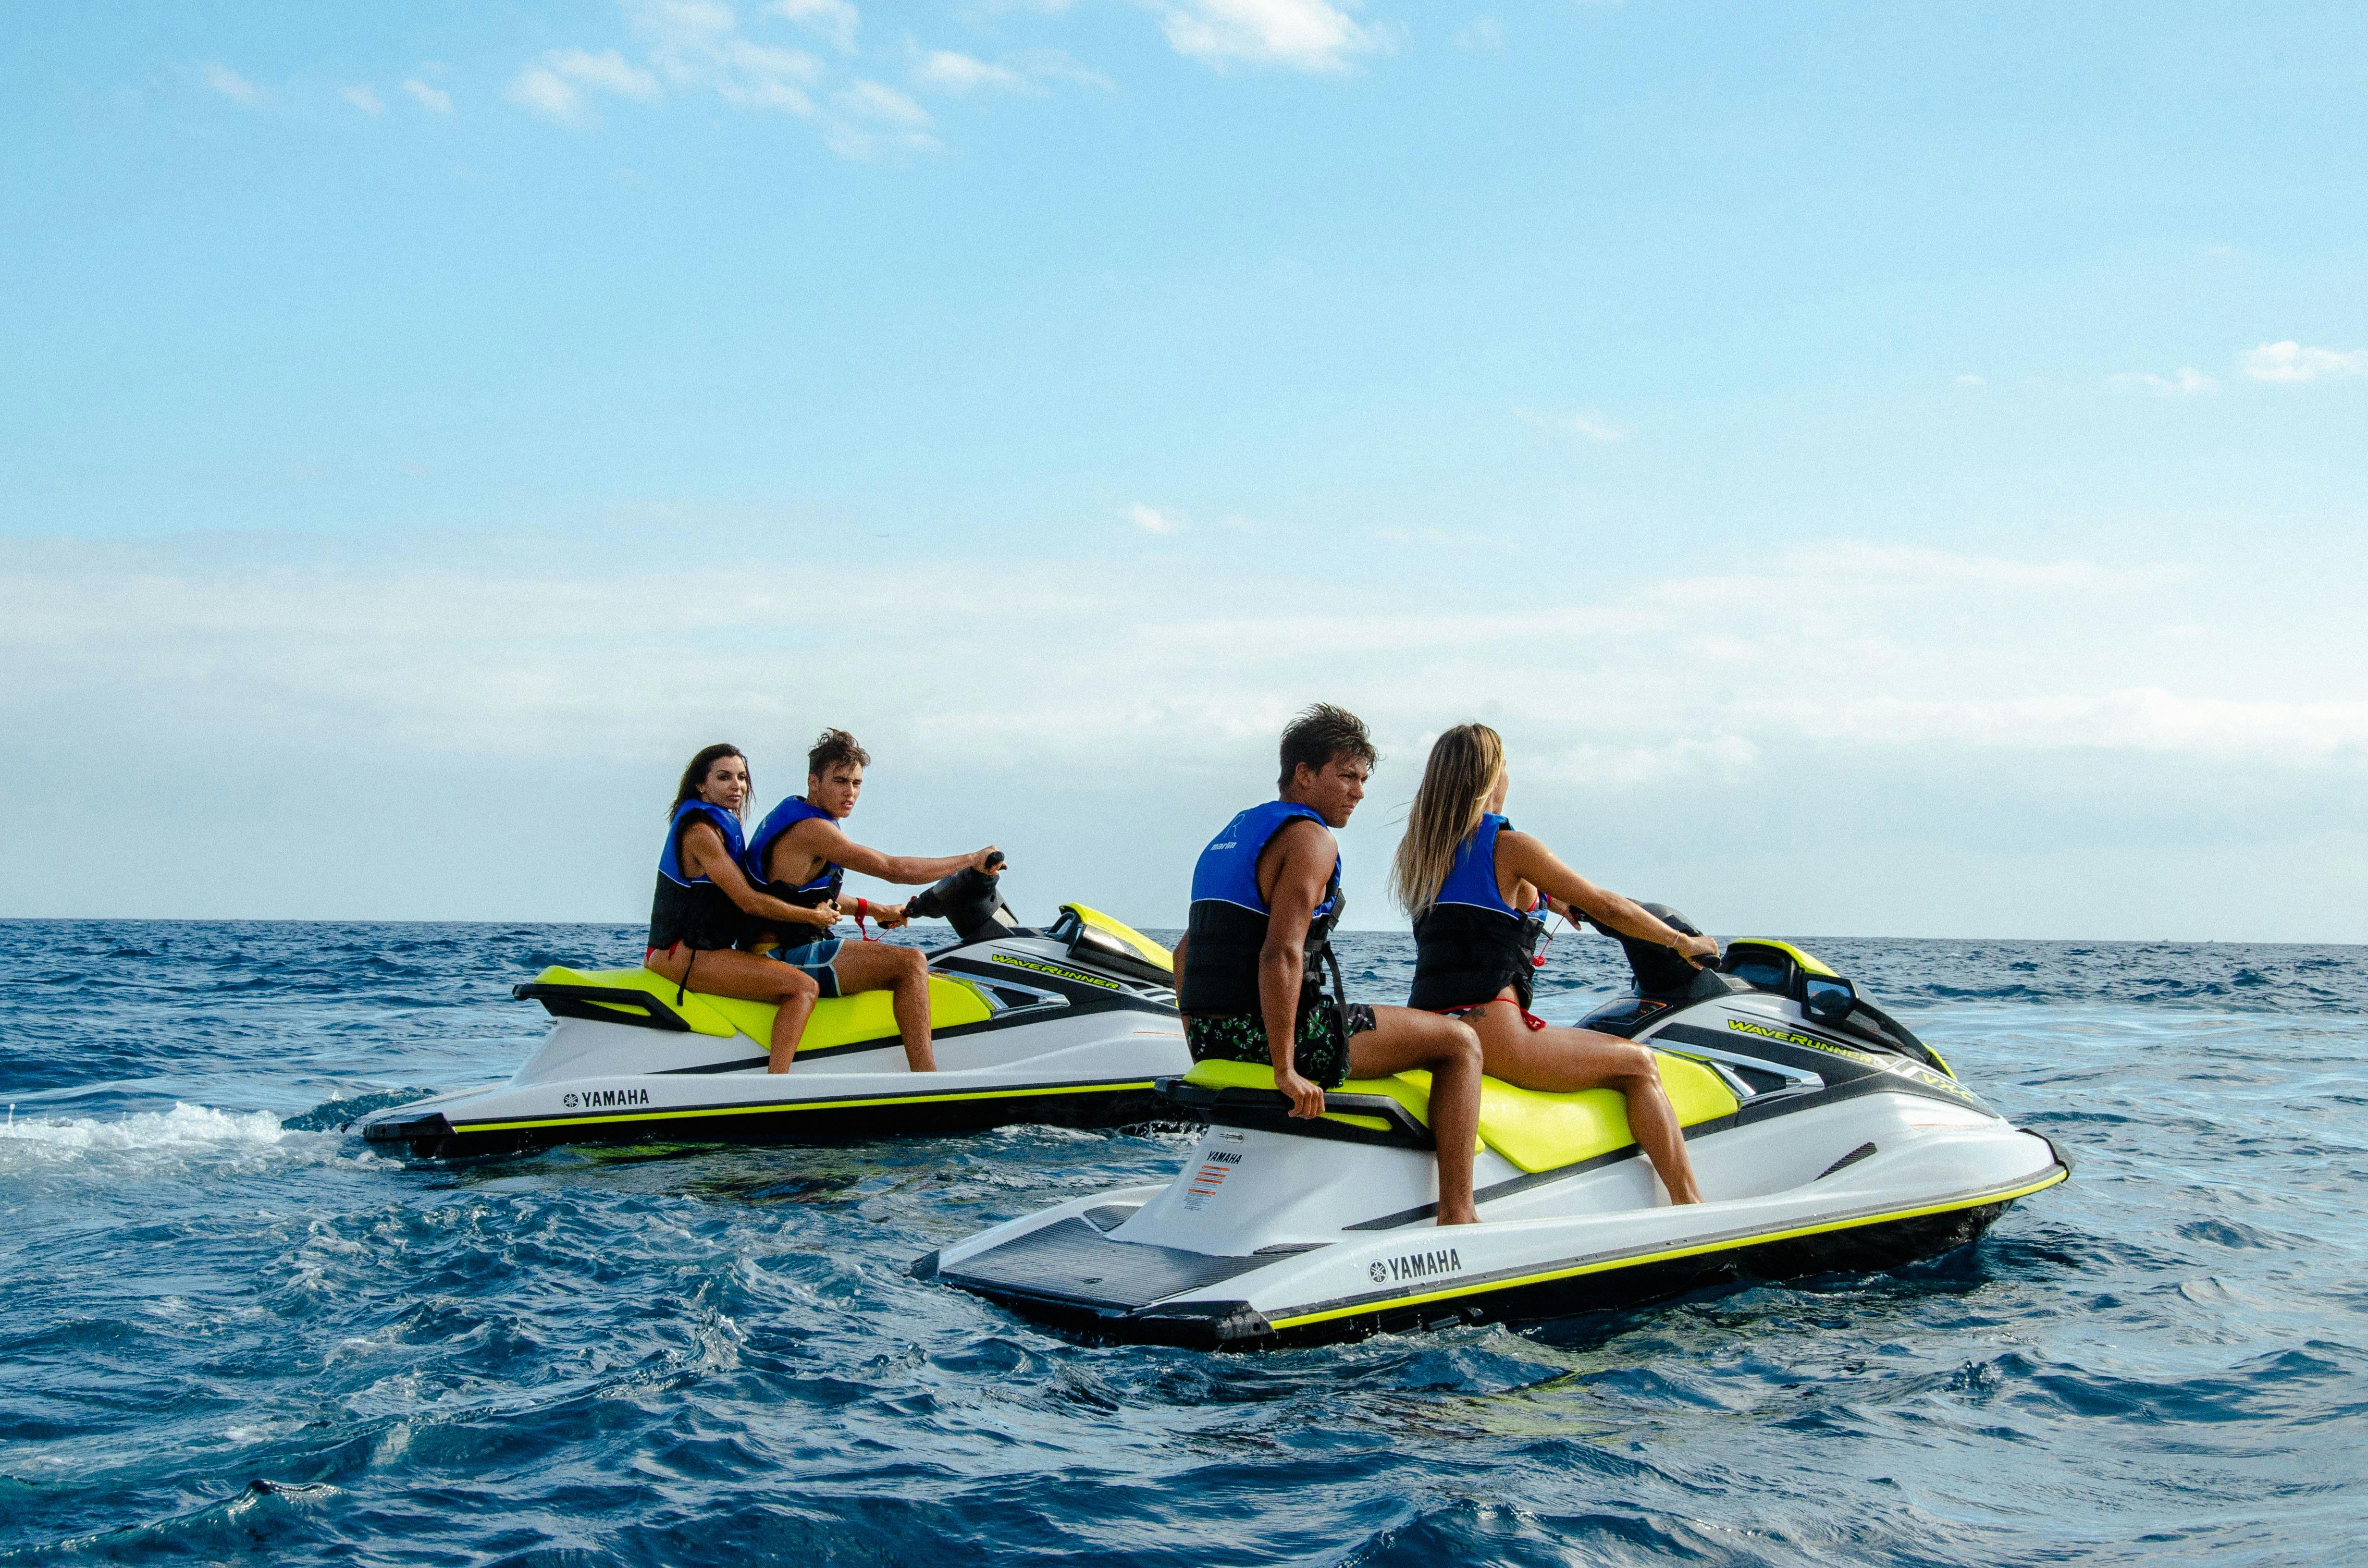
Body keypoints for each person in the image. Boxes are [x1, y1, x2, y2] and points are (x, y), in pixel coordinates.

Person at [1171, 704, 1486, 1227]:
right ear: (1304, 774)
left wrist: (1201, 1040)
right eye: (1346, 776)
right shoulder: (1310, 839)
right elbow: (1281, 954)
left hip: (1213, 1038)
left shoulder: (1229, 839)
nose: (1358, 792)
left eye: (1362, 779)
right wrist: (1284, 1070)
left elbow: (1186, 955)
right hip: (1286, 1039)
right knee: (1460, 1043)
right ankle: (1458, 1213)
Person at [1390, 723, 1716, 1205]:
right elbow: (1608, 906)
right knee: (1639, 1066)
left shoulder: (1421, 852)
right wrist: (1679, 943)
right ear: (1491, 777)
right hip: (1497, 1036)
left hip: (1429, 1029)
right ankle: (1690, 1207)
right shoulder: (1510, 846)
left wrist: (1546, 900)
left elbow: (1475, 908)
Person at [742, 728, 1002, 1073]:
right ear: (814, 782)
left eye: (857, 783)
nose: (850, 793)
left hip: (790, 945)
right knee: (911, 963)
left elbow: (804, 894)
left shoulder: (798, 815)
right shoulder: (814, 830)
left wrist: (875, 909)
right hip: (785, 956)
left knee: (925, 968)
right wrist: (971, 859)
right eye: (840, 781)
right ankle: (927, 1082)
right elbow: (894, 869)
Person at [644, 744, 843, 1072]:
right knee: (803, 987)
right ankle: (775, 1087)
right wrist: (812, 917)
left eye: (742, 778)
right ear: (700, 785)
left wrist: (868, 907)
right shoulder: (700, 833)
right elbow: (748, 901)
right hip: (680, 954)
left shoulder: (724, 830)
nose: (737, 786)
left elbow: (776, 891)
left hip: (708, 950)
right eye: (724, 778)